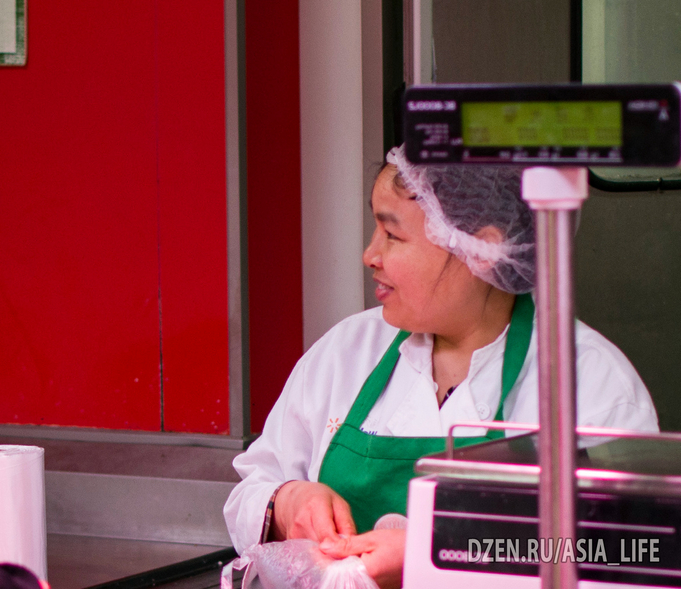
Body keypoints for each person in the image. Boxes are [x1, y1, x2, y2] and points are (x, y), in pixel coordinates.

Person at [223, 145, 658, 589]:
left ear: (481, 249)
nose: (370, 254)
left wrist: (435, 555)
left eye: (393, 235)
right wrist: (285, 503)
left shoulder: (587, 382)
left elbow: (626, 551)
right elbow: (250, 490)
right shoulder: (346, 351)